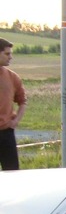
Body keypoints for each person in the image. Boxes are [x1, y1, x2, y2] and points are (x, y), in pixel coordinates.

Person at [0, 38, 27, 171]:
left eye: (11, 53)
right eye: (7, 54)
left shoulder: (13, 77)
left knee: (12, 173)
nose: (11, 57)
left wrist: (16, 120)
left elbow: (22, 101)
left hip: (6, 133)